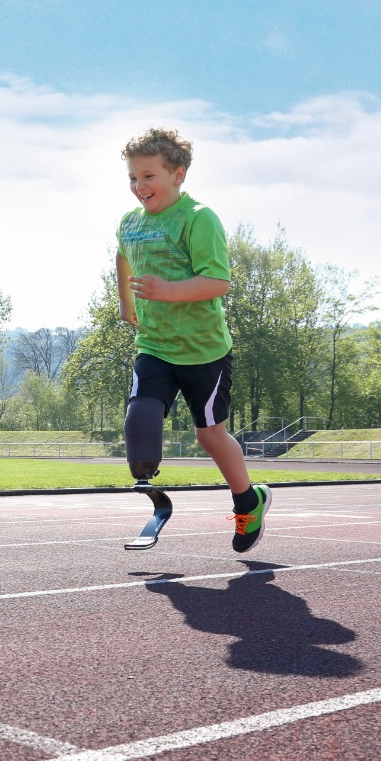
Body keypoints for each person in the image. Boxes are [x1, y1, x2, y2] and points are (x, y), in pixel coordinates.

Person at [115, 128, 270, 553]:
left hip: (204, 352)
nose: (139, 186)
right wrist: (126, 302)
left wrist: (166, 290)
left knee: (209, 435)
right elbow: (123, 254)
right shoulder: (130, 223)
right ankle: (149, 487)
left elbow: (218, 281)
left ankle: (249, 501)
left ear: (177, 174)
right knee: (140, 415)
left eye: (148, 176)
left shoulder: (199, 218)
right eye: (132, 178)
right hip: (155, 345)